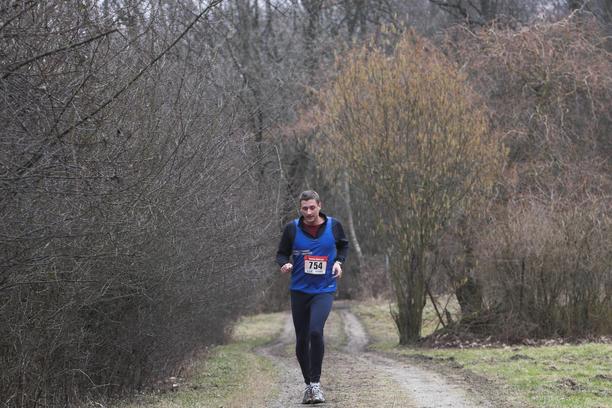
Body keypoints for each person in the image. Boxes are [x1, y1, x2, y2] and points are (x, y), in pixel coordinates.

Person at [276, 190, 349, 404]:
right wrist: (284, 264)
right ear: (300, 208)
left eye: (312, 208)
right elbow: (281, 253)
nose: (308, 212)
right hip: (299, 291)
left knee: (315, 331)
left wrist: (339, 262)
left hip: (324, 289)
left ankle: (316, 385)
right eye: (304, 208)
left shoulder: (334, 226)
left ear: (319, 205)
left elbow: (343, 245)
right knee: (301, 340)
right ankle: (308, 384)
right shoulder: (292, 229)